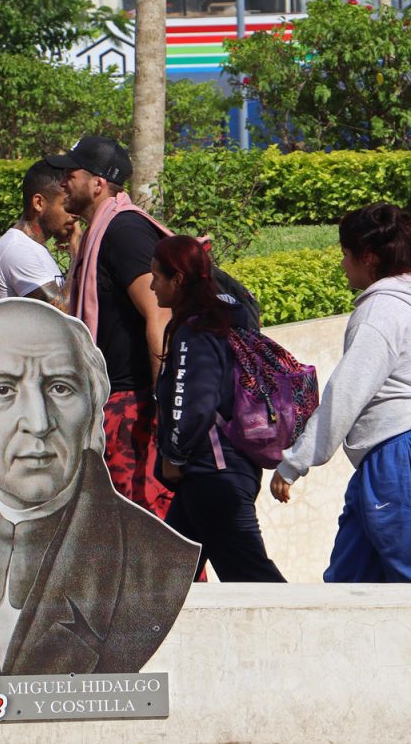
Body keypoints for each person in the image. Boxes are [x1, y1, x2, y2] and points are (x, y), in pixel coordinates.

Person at [0, 300, 199, 675]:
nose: (39, 422)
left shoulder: (160, 563)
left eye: (60, 387)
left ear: (91, 410)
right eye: (2, 391)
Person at [270, 204, 411, 583]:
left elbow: (345, 393)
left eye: (346, 254)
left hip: (404, 454)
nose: (342, 264)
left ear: (368, 258)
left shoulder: (378, 313)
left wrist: (295, 461)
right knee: (350, 580)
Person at [45, 135, 174, 519]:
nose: (62, 182)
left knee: (148, 532)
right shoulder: (96, 234)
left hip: (135, 410)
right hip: (110, 407)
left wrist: (165, 409)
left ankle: (187, 586)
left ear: (98, 183)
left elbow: (159, 314)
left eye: (71, 174)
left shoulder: (124, 231)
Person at [150, 235, 285, 583]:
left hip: (213, 475)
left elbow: (193, 401)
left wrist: (174, 455)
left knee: (255, 581)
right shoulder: (224, 320)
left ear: (177, 279)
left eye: (157, 276)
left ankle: (310, 637)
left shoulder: (194, 333)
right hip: (221, 471)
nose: (151, 286)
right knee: (165, 580)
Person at [0, 160, 78, 306]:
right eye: (66, 205)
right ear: (39, 203)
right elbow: (62, 314)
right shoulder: (18, 250)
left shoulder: (33, 246)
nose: (75, 214)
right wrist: (78, 254)